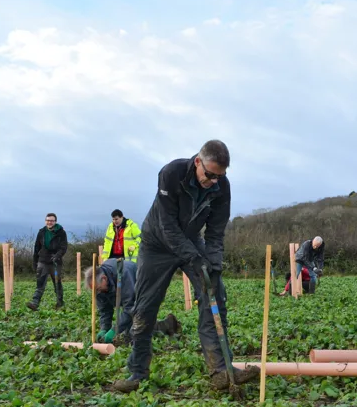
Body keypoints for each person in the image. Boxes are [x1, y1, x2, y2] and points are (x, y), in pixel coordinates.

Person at [113, 140, 260, 393]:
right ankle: (137, 373)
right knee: (144, 307)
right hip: (157, 244)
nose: (214, 181)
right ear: (197, 162)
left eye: (219, 176)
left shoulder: (221, 186)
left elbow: (215, 232)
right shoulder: (171, 174)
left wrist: (213, 264)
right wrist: (194, 258)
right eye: (210, 175)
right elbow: (168, 227)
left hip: (192, 240)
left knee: (214, 295)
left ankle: (221, 369)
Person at [83, 258, 181, 345]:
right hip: (132, 297)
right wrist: (104, 328)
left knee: (134, 334)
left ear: (104, 279)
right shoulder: (98, 286)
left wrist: (114, 329)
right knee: (129, 331)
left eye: (99, 289)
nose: (98, 292)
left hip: (147, 289)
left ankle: (168, 324)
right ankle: (166, 324)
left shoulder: (123, 274)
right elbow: (105, 310)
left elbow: (130, 307)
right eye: (95, 290)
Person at [27, 213, 68, 311]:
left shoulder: (61, 232)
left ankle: (60, 303)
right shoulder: (41, 232)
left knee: (57, 283)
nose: (49, 222)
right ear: (45, 221)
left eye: (52, 220)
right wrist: (35, 261)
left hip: (55, 262)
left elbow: (64, 247)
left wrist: (57, 256)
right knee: (40, 283)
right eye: (48, 220)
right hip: (43, 261)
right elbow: (37, 247)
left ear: (55, 222)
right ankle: (35, 303)